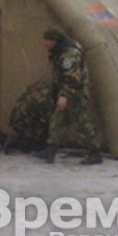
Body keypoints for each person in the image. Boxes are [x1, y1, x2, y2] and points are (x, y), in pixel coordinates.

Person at [37, 27, 103, 165]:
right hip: (66, 91)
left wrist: (65, 95)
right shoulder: (60, 51)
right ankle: (51, 150)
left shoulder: (69, 54)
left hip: (74, 93)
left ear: (54, 40)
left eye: (47, 41)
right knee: (57, 120)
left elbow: (72, 78)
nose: (45, 44)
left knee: (81, 122)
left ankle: (95, 152)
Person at [3, 78, 55, 154]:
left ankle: (7, 139)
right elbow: (48, 122)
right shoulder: (47, 99)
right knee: (40, 146)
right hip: (26, 125)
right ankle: (16, 142)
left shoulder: (46, 86)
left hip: (21, 121)